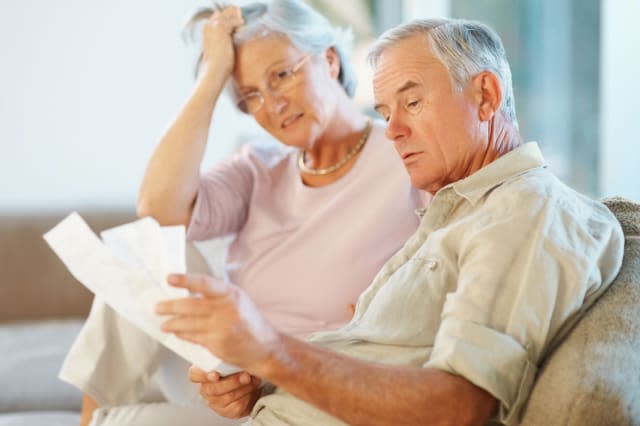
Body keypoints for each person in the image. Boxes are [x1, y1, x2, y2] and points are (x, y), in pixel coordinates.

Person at [157, 18, 625, 426]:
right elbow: (376, 353)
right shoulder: (455, 211)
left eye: (413, 103)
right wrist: (261, 380)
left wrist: (274, 353)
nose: (394, 131)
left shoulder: (526, 212)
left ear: (485, 96)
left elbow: (458, 405)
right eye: (385, 112)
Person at [60, 1, 426, 425]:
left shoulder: (406, 155)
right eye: (250, 94)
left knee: (126, 421)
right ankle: (91, 418)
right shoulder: (257, 167)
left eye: (282, 75)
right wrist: (211, 77)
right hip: (231, 380)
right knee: (142, 252)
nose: (272, 105)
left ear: (329, 60)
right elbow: (158, 209)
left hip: (320, 389)